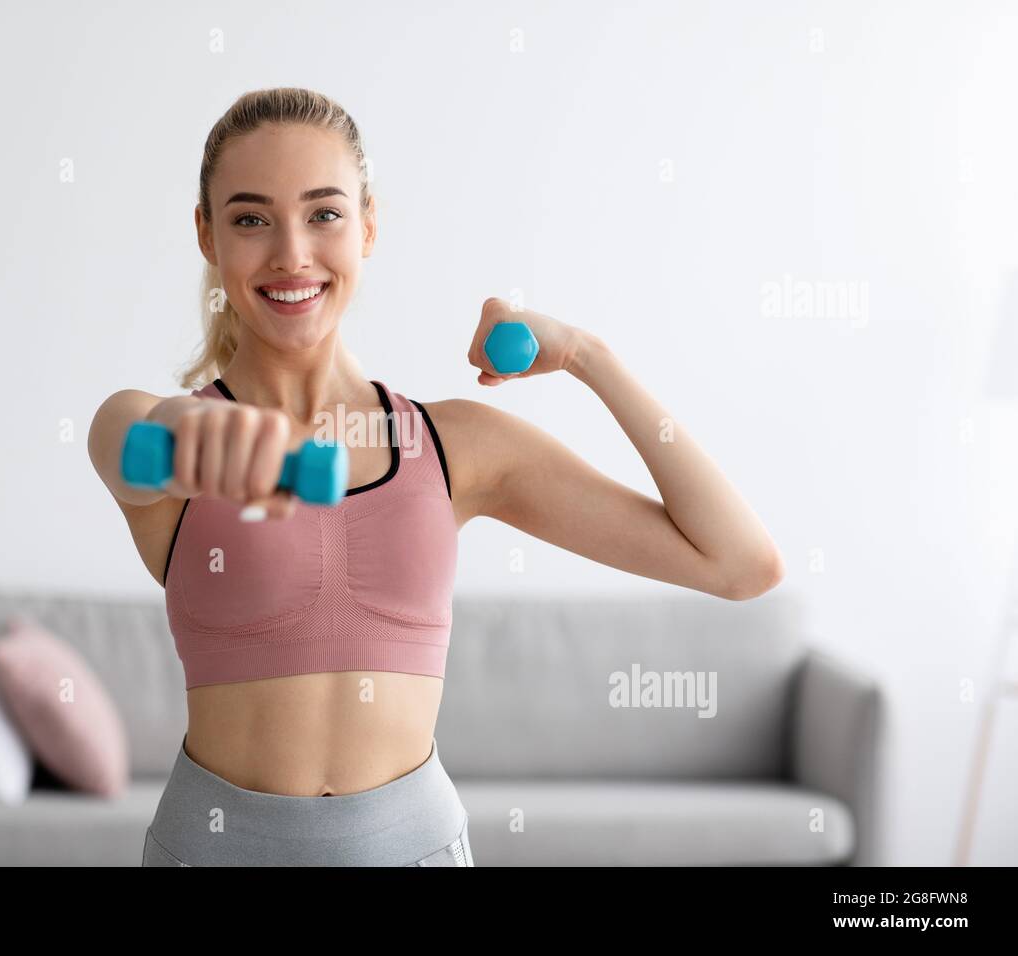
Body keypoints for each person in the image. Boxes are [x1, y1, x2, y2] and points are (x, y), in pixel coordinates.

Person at [87, 87, 785, 867]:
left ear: (368, 226)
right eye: (251, 218)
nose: (291, 253)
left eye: (324, 214)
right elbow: (128, 443)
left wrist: (588, 356)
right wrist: (191, 434)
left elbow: (738, 563)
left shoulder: (455, 447)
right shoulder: (156, 432)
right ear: (207, 234)